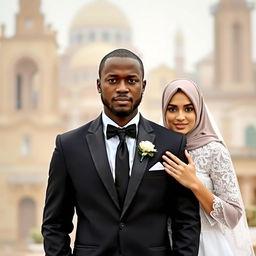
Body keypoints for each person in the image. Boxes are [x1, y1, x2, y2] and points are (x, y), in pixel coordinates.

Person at [41, 49, 201, 256]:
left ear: (143, 87)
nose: (122, 88)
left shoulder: (172, 143)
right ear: (99, 85)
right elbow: (55, 224)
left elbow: (186, 221)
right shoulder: (69, 146)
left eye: (132, 81)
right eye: (113, 80)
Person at [161, 79, 255, 256]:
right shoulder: (159, 149)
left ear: (199, 110)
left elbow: (233, 216)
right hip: (165, 245)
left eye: (188, 109)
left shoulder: (214, 151)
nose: (180, 116)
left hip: (207, 246)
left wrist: (195, 184)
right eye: (172, 109)